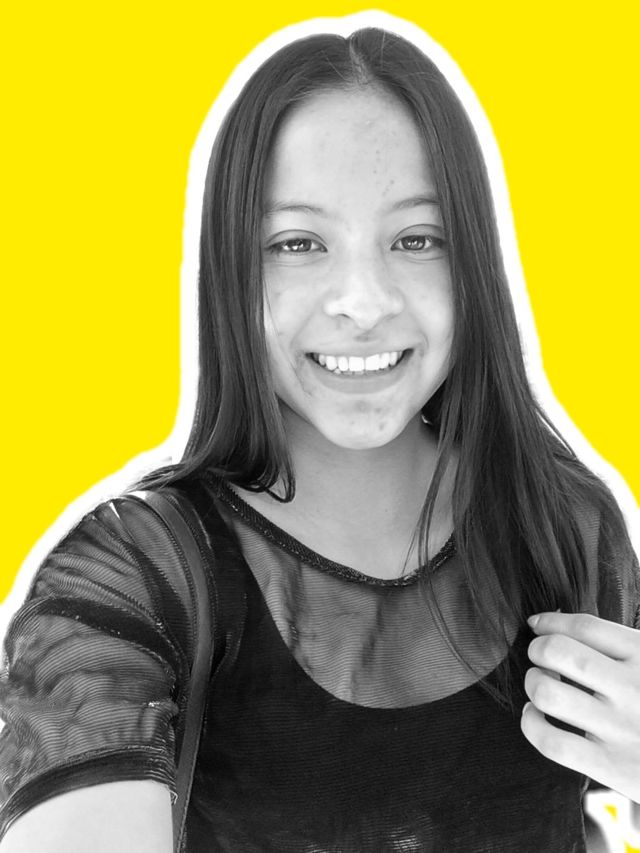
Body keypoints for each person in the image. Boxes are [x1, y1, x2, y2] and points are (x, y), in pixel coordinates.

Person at [0, 19, 638, 853]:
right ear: (232, 270)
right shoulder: (131, 579)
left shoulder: (563, 524)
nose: (363, 301)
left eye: (417, 238)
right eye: (297, 243)